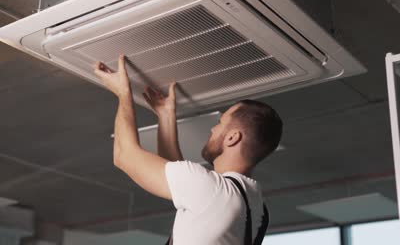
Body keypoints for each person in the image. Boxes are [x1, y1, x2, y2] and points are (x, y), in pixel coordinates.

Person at [94, 55, 283, 245]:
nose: (213, 129)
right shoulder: (255, 206)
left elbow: (124, 156)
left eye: (220, 123)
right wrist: (165, 115)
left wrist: (123, 93)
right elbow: (181, 180)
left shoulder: (213, 190)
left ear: (233, 137)